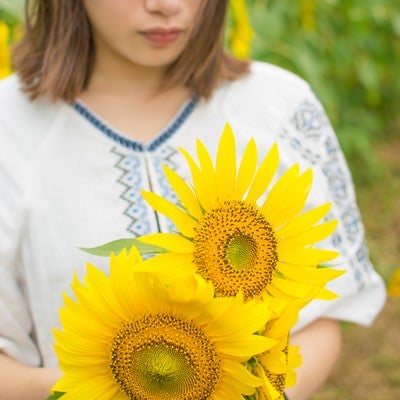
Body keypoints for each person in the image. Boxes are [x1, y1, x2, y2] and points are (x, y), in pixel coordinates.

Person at [0, 1, 386, 399]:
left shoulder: (279, 107)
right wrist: (108, 387)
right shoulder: (9, 129)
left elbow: (321, 313)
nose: (166, 6)